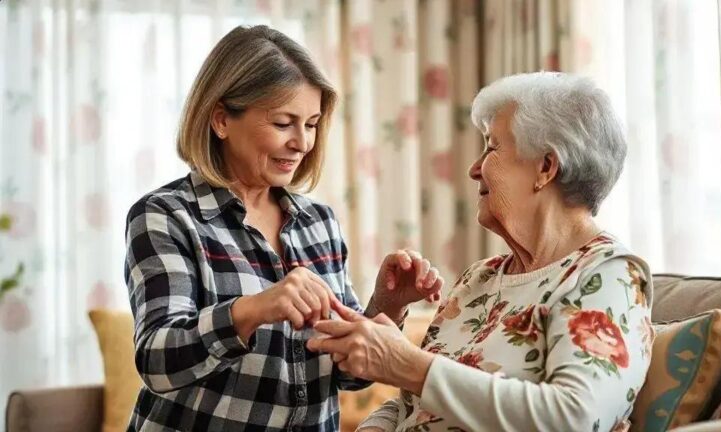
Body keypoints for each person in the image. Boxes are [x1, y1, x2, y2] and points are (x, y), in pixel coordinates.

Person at [124, 25, 443, 432]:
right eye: (283, 123)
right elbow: (156, 360)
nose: (303, 143)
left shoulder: (319, 223)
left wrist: (388, 305)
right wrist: (254, 309)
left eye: (311, 124)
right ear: (221, 119)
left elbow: (347, 375)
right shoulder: (165, 216)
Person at [307, 72, 655, 432]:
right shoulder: (481, 278)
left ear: (546, 167)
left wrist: (408, 363)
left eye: (491, 147)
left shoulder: (608, 275)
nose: (474, 169)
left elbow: (575, 418)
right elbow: (412, 406)